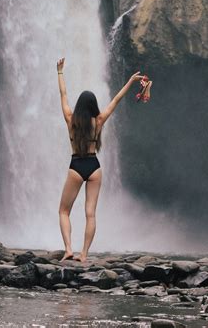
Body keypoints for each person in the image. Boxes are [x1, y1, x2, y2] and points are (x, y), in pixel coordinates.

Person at [56, 57, 151, 262]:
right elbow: (116, 100)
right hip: (93, 166)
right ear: (93, 106)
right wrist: (131, 82)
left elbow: (63, 95)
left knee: (64, 210)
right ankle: (84, 254)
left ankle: (68, 249)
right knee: (90, 213)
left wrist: (60, 72)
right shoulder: (99, 121)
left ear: (80, 105)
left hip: (76, 165)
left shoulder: (70, 119)